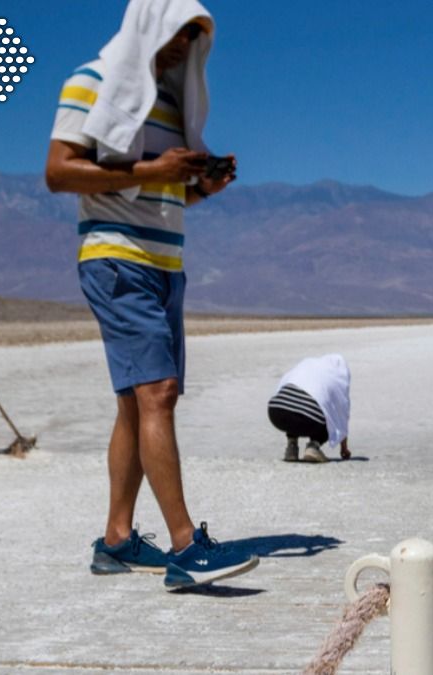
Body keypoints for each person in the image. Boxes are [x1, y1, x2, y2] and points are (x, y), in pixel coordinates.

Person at [44, 0, 256, 591]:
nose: (183, 49)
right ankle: (187, 548)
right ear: (148, 25)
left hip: (166, 263)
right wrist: (151, 168)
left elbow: (161, 193)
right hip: (116, 259)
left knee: (139, 404)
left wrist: (203, 188)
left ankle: (115, 541)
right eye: (175, 35)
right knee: (157, 394)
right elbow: (59, 171)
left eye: (193, 39)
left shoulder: (174, 105)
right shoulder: (92, 82)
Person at [269, 354, 352, 463]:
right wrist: (344, 448)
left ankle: (292, 446)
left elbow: (283, 384)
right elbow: (341, 416)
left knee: (295, 405)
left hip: (276, 411)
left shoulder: (307, 364)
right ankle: (314, 446)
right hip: (307, 416)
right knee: (330, 416)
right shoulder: (335, 379)